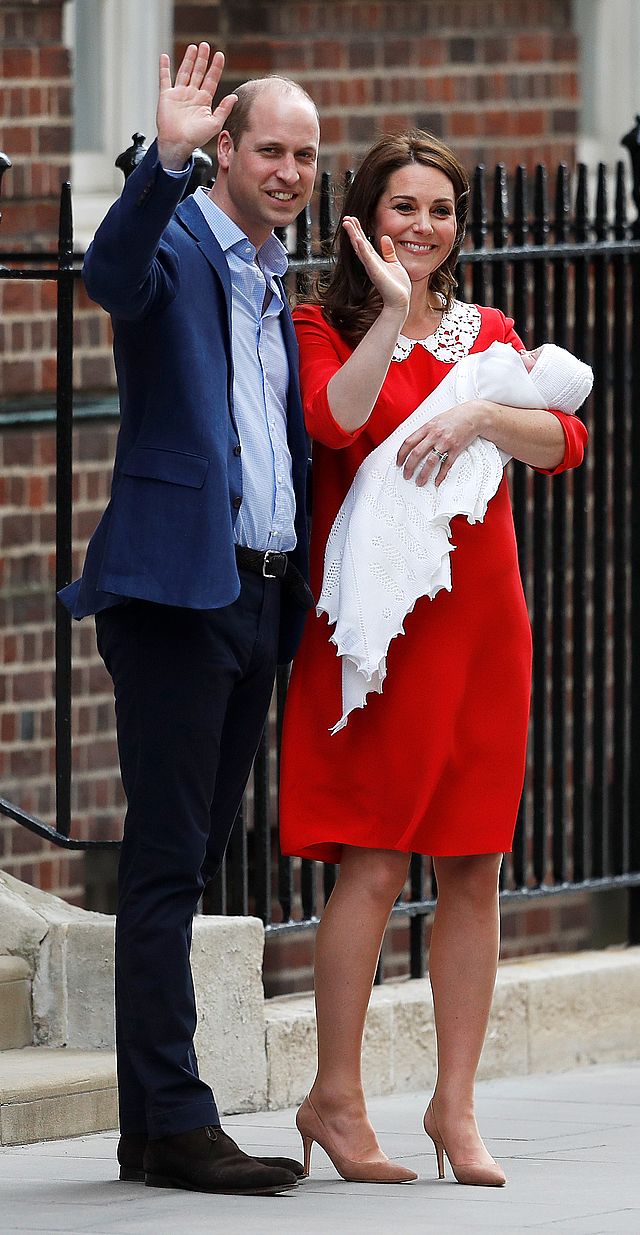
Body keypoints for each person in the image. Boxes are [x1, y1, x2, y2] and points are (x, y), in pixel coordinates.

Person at [279, 130, 588, 1187]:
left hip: (486, 628)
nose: (424, 226)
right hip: (384, 637)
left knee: (475, 862)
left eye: (441, 210)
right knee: (372, 859)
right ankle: (334, 1095)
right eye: (403, 207)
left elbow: (564, 441)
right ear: (366, 217)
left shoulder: (486, 333)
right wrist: (386, 308)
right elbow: (336, 421)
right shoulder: (318, 323)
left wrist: (481, 414)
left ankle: (455, 1107)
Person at [59, 43, 320, 1196]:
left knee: (193, 860)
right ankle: (174, 1117)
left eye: (305, 154)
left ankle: (150, 1126)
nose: (290, 170)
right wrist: (159, 166)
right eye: (270, 149)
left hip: (255, 594)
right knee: (166, 862)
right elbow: (109, 275)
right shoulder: (173, 241)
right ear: (226, 151)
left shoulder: (273, 275)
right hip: (173, 596)